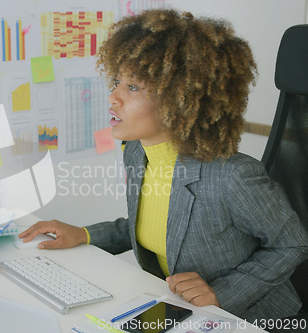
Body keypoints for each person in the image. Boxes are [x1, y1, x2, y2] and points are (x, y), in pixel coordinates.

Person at [19, 9, 308, 322]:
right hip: (182, 310)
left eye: (132, 87)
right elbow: (150, 227)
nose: (112, 97)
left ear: (178, 99)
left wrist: (223, 293)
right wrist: (85, 235)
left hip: (251, 319)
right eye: (117, 82)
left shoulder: (232, 176)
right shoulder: (135, 153)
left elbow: (292, 243)